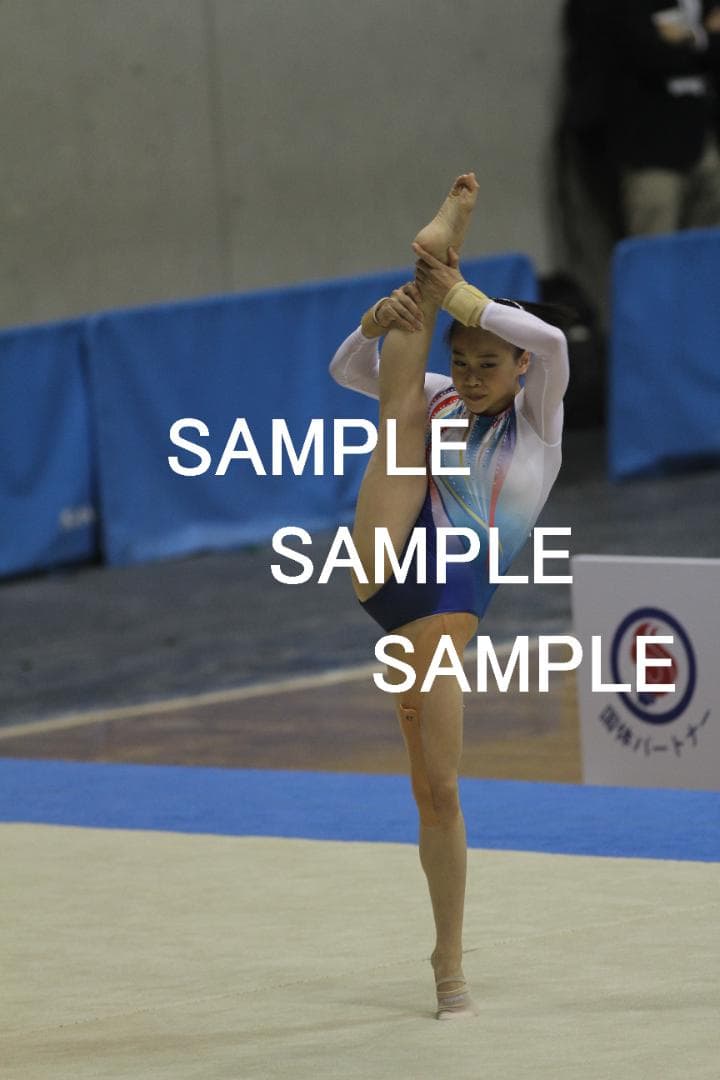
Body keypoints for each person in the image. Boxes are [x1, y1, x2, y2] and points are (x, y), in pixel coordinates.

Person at [329, 174, 569, 1020]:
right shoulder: (437, 396)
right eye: (460, 362)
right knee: (402, 409)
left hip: (439, 604)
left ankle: (448, 959)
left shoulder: (539, 425)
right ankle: (431, 261)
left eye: (486, 365)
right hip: (392, 561)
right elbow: (348, 369)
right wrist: (380, 319)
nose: (467, 377)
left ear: (520, 369)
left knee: (438, 792)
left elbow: (553, 338)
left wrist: (457, 296)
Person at [606, 0, 720, 235]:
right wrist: (705, 38)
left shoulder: (710, 5)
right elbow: (650, 54)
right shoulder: (637, 6)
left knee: (708, 243)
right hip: (651, 146)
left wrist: (691, 39)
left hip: (703, 140)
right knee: (656, 240)